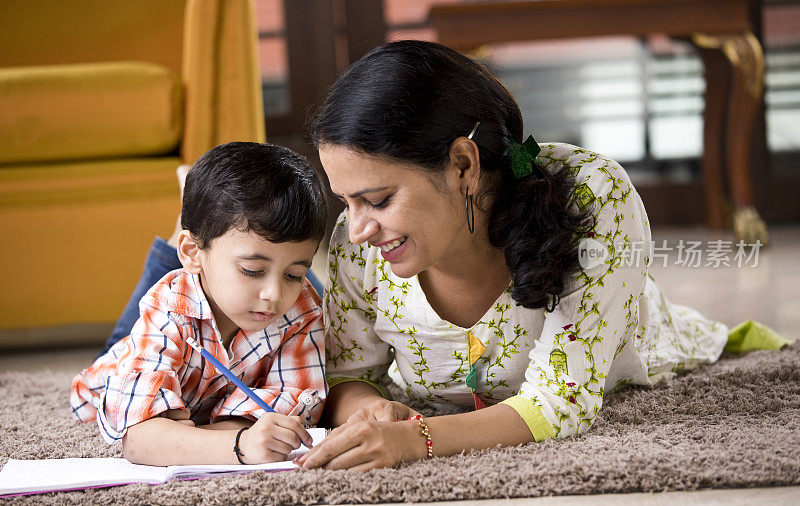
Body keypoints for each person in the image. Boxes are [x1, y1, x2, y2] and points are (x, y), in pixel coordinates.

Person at [101, 40, 788, 472]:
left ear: (462, 163)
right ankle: (178, 249)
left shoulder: (593, 196)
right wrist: (366, 411)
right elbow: (343, 375)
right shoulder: (354, 246)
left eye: (376, 199)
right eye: (345, 203)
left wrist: (418, 444)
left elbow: (563, 403)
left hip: (644, 353)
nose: (357, 229)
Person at [71, 142, 329, 466]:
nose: (273, 295)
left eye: (294, 274)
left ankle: (199, 219)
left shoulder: (301, 309)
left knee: (306, 293)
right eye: (252, 270)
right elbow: (139, 440)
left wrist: (219, 434)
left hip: (200, 327)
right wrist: (239, 444)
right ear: (192, 252)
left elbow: (293, 405)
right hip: (113, 370)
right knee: (127, 335)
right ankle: (187, 220)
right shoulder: (167, 308)